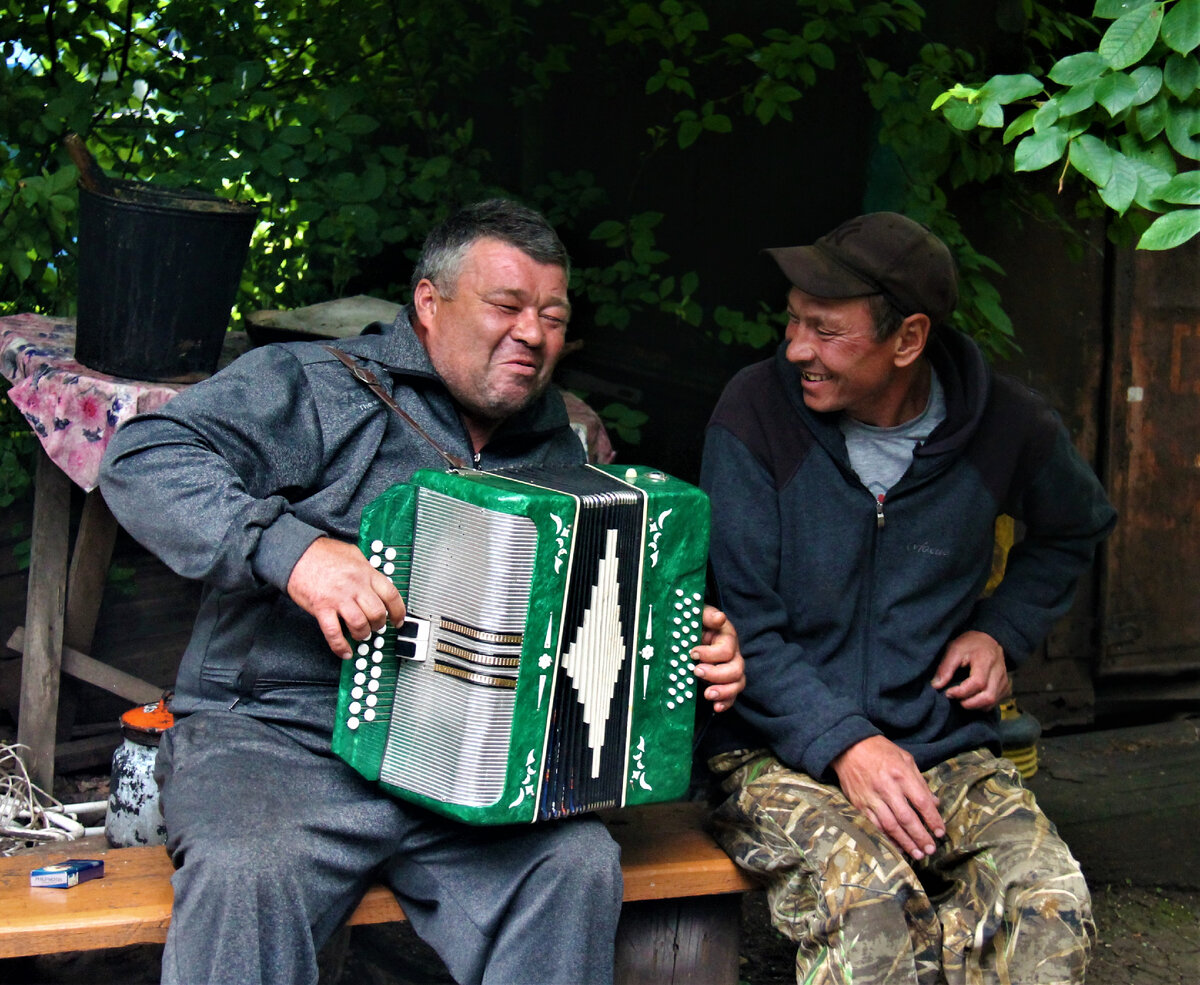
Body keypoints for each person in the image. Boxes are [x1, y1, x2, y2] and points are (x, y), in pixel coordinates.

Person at [99, 198, 745, 985]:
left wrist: (683, 660)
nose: (534, 333)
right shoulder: (313, 386)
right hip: (276, 743)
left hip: (474, 780)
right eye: (507, 305)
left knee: (574, 865)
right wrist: (294, 553)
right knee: (247, 870)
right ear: (429, 304)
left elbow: (601, 642)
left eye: (552, 314)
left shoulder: (570, 449)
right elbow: (142, 456)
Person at [699, 211, 1116, 985]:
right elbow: (741, 618)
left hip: (942, 742)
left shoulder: (1007, 426)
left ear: (908, 340)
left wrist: (1002, 628)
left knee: (1046, 906)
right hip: (776, 750)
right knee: (876, 915)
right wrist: (846, 744)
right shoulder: (753, 412)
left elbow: (1076, 525)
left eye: (825, 331)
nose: (796, 349)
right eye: (792, 322)